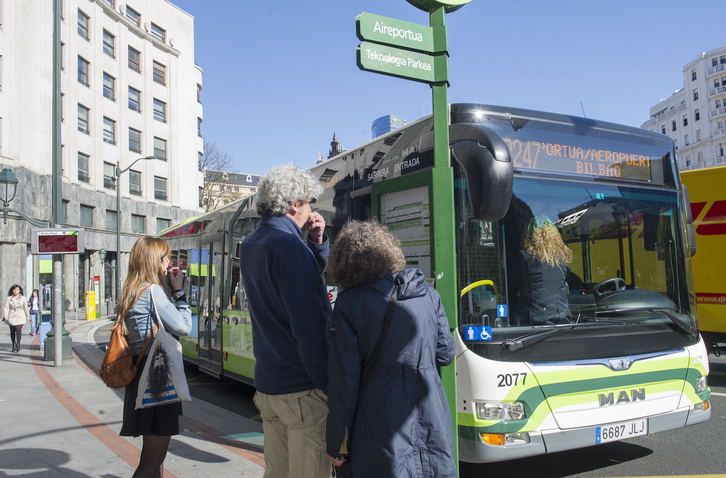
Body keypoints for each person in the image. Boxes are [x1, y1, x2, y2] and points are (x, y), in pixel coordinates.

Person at [325, 221, 457, 478]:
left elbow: (345, 383)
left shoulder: (350, 304)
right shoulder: (428, 294)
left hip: (379, 424)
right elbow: (446, 353)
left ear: (344, 260)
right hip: (431, 418)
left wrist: (336, 442)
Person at [239, 163, 332, 478]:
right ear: (294, 204)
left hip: (269, 387)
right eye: (308, 202)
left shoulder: (253, 244)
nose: (309, 210)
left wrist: (316, 246)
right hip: (302, 392)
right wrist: (329, 387)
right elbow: (310, 329)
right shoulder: (290, 248)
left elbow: (284, 291)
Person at [117, 236, 192, 478]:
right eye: (165, 258)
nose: (169, 262)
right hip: (157, 378)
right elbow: (183, 327)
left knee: (153, 457)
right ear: (153, 261)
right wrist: (179, 293)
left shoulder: (130, 291)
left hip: (140, 376)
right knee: (151, 461)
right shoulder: (152, 292)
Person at [513, 217, 573, 324]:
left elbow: (511, 285)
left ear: (530, 235)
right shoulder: (561, 260)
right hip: (563, 318)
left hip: (536, 319)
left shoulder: (526, 257)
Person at [3, 285, 30, 353]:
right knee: (12, 330)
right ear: (12, 290)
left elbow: (25, 308)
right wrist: (6, 316)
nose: (15, 291)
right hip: (12, 315)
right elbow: (6, 308)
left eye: (17, 289)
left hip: (20, 314)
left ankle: (18, 344)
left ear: (19, 290)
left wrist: (28, 317)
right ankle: (13, 344)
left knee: (18, 329)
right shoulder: (9, 298)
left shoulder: (23, 298)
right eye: (14, 289)